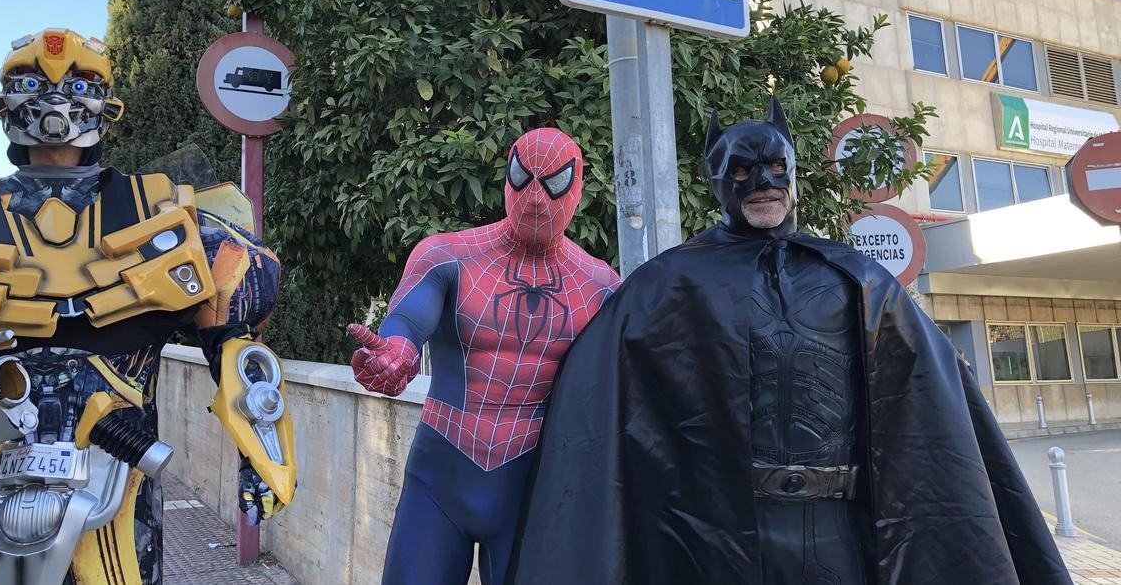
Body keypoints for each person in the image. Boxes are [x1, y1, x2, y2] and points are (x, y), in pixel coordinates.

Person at [506, 98, 1071, 585]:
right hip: (714, 539)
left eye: (777, 167)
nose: (764, 185)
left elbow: (931, 401)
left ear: (795, 173)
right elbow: (600, 417)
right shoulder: (665, 286)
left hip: (838, 535)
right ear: (717, 178)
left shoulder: (857, 277)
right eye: (744, 170)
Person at [0, 29, 296, 584]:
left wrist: (262, 453)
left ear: (107, 104)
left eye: (78, 83)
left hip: (118, 464)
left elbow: (234, 339)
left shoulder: (160, 207)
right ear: (4, 103)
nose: (54, 97)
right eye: (32, 83)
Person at [347, 128, 620, 585]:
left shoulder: (600, 285)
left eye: (551, 182)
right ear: (505, 177)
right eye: (521, 177)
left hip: (532, 481)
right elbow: (410, 319)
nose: (534, 198)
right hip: (442, 474)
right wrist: (396, 352)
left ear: (576, 189)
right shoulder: (449, 255)